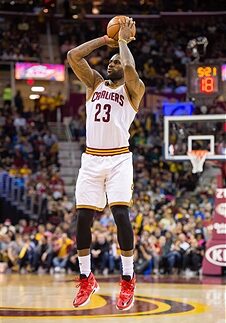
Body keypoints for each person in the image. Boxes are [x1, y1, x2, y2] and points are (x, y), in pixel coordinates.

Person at [67, 17, 145, 311]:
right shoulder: (95, 84)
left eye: (116, 62)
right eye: (109, 62)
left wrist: (123, 43)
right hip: (91, 158)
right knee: (83, 219)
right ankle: (86, 277)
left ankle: (128, 278)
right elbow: (73, 56)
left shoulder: (133, 90)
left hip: (119, 159)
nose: (112, 65)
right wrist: (106, 40)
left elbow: (130, 69)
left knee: (121, 215)